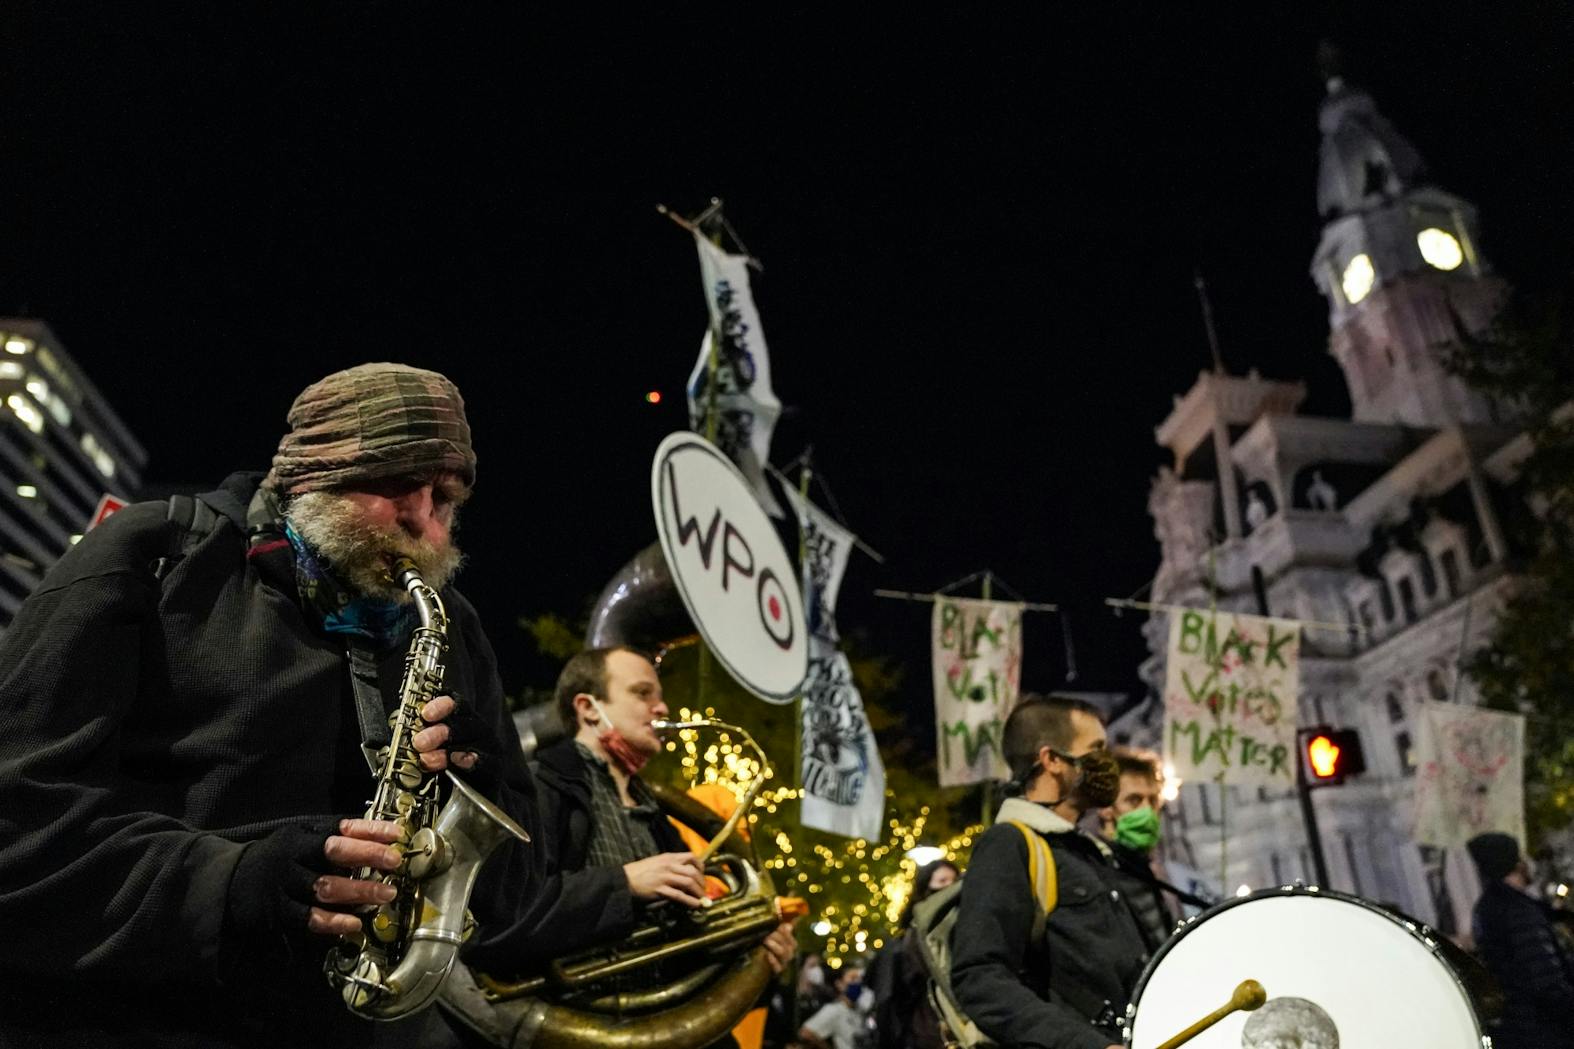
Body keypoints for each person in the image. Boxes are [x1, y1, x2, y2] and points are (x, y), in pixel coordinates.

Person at [0, 363, 541, 1048]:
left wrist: (481, 788)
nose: (422, 519)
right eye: (395, 481)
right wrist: (232, 883)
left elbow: (521, 900)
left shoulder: (453, 628)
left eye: (444, 496)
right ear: (314, 472)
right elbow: (18, 825)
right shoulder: (151, 555)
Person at [494, 646, 795, 1034]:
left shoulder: (658, 815)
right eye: (642, 693)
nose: (663, 709)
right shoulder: (536, 789)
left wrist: (752, 946)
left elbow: (681, 941)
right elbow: (506, 918)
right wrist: (625, 884)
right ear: (588, 708)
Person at [951, 694, 1150, 1049]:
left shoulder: (1082, 850)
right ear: (1052, 760)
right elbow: (979, 978)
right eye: (1096, 749)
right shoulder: (1009, 844)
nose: (1107, 762)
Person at [1467, 832, 1574, 1049]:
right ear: (1516, 864)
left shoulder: (1487, 908)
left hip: (1521, 1031)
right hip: (1543, 1033)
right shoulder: (1518, 912)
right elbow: (1547, 983)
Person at [868, 858, 959, 1049]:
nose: (950, 887)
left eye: (954, 881)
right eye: (942, 881)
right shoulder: (912, 937)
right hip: (928, 1031)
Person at [1096, 749, 1179, 951]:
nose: (1147, 811)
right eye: (1134, 800)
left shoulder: (1149, 869)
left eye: (1153, 801)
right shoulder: (1095, 873)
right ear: (1106, 808)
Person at [798, 965, 870, 1049]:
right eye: (853, 978)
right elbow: (806, 1033)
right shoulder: (834, 1010)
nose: (858, 981)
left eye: (859, 978)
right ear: (839, 984)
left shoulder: (860, 1009)